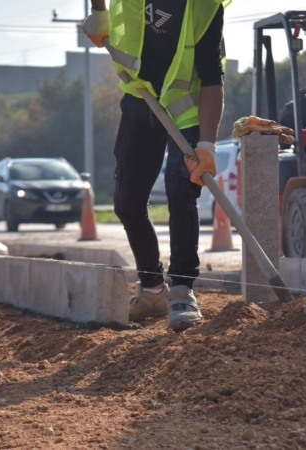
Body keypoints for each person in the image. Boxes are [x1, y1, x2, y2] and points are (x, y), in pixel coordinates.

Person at [83, 0, 227, 331]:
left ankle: (181, 289)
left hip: (186, 106)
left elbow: (211, 76)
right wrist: (100, 13)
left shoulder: (204, 7)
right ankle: (152, 290)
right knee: (127, 200)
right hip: (140, 96)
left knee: (180, 185)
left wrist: (206, 144)